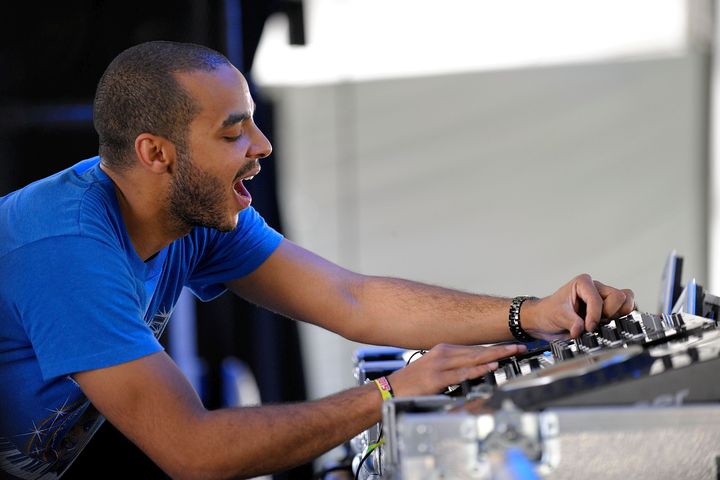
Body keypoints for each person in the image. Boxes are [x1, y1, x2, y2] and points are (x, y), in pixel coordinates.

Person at [0, 40, 634, 480]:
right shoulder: (65, 249)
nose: (262, 144)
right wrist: (387, 393)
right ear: (157, 153)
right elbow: (191, 450)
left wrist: (533, 314)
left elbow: (351, 299)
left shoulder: (197, 214)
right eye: (233, 131)